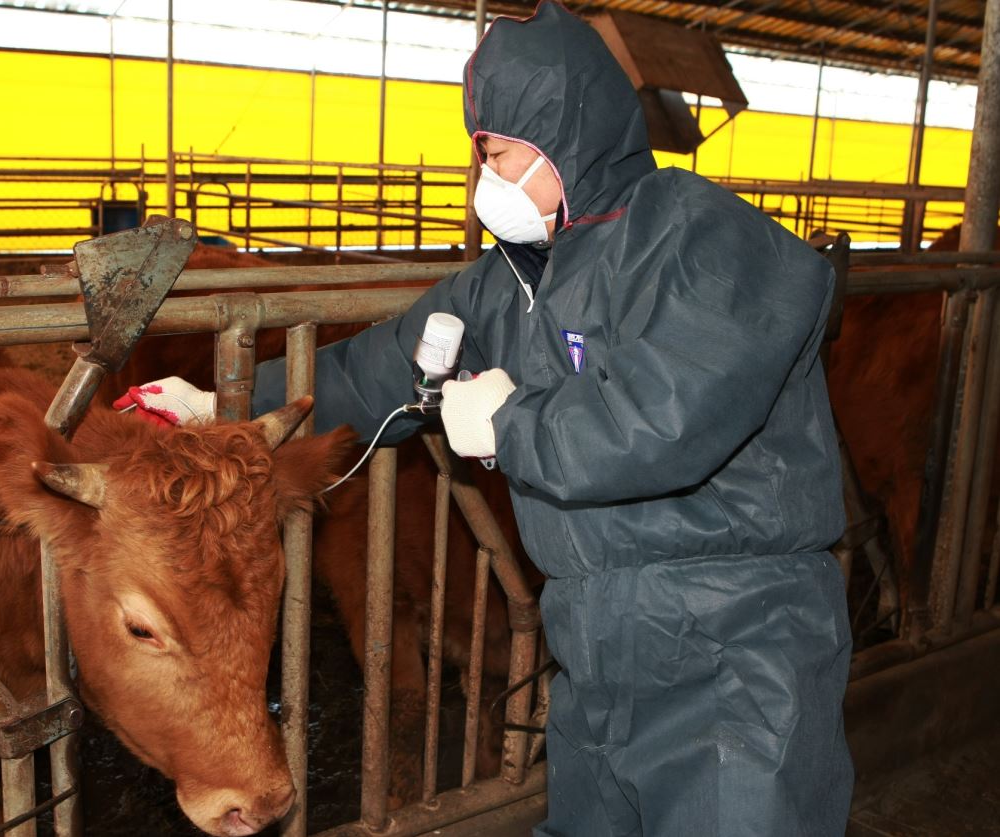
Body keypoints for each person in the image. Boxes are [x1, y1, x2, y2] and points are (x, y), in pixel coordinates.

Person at [116, 2, 854, 833]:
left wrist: (511, 424)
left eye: (499, 154)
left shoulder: (708, 242)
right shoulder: (505, 282)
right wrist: (227, 403)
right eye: (482, 158)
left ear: (563, 139)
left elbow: (664, 425)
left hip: (736, 639)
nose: (484, 185)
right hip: (593, 638)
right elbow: (374, 368)